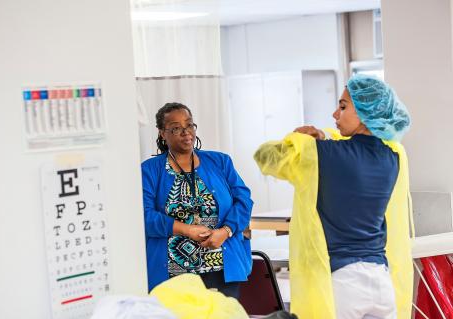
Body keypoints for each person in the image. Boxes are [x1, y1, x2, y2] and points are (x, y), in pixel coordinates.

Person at [254, 74, 413, 319]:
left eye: (342, 106)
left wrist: (303, 140)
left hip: (342, 283)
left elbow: (265, 156)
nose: (334, 114)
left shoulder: (324, 155)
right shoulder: (393, 158)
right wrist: (326, 139)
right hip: (381, 281)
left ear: (364, 112)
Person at [141, 102, 253, 298]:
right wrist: (185, 229)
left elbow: (244, 201)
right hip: (172, 276)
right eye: (176, 128)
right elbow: (144, 216)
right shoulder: (150, 170)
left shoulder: (220, 162)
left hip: (222, 269)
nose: (185, 132)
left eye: (189, 125)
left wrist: (225, 232)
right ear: (162, 133)